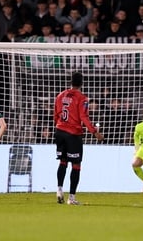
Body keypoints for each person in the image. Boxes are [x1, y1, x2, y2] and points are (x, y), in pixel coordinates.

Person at [54, 71, 104, 205]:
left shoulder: (60, 95)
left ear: (70, 81)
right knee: (76, 165)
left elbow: (56, 114)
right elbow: (83, 117)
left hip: (60, 131)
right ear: (82, 83)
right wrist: (94, 132)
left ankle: (59, 190)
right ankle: (71, 198)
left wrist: (58, 128)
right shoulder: (82, 98)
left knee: (63, 161)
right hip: (72, 134)